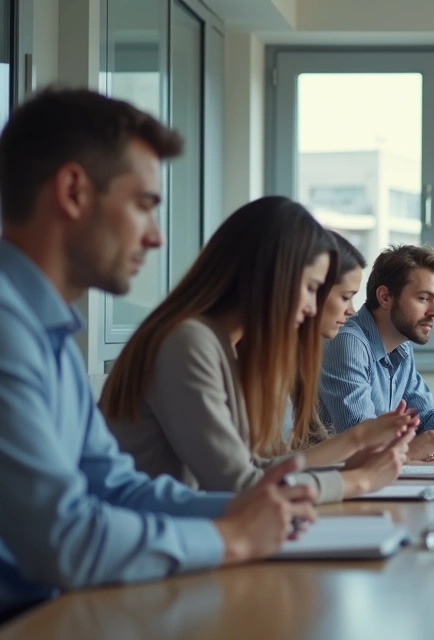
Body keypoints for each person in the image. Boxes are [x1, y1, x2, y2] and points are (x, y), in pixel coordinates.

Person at [0, 88, 315, 619]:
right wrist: (230, 537)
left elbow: (115, 488)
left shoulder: (46, 333)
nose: (156, 237)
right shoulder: (8, 331)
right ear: (74, 191)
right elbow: (65, 538)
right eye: (143, 205)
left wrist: (244, 508)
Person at [99, 197, 416, 503]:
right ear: (269, 276)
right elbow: (239, 485)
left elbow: (251, 469)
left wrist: (358, 441)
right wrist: (358, 481)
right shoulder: (188, 342)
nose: (311, 307)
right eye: (309, 289)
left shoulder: (224, 347)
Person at [318, 244, 434, 458]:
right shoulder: (347, 342)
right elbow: (361, 440)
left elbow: (422, 416)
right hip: (330, 481)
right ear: (385, 297)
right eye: (423, 298)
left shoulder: (401, 345)